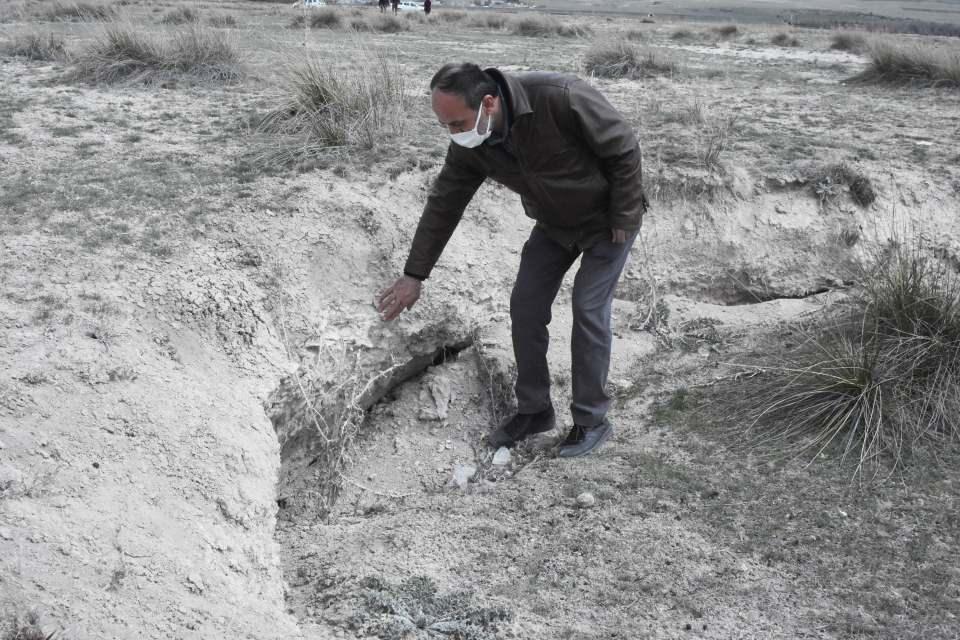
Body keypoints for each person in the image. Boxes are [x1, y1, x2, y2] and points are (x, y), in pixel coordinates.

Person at [377, 63, 648, 458]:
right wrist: (413, 275)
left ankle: (592, 420)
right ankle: (535, 411)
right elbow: (444, 205)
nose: (454, 134)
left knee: (588, 308)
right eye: (445, 126)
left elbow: (624, 147)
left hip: (608, 222)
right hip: (554, 225)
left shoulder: (560, 96)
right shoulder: (475, 142)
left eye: (457, 123)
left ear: (488, 102)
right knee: (525, 305)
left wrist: (623, 215)